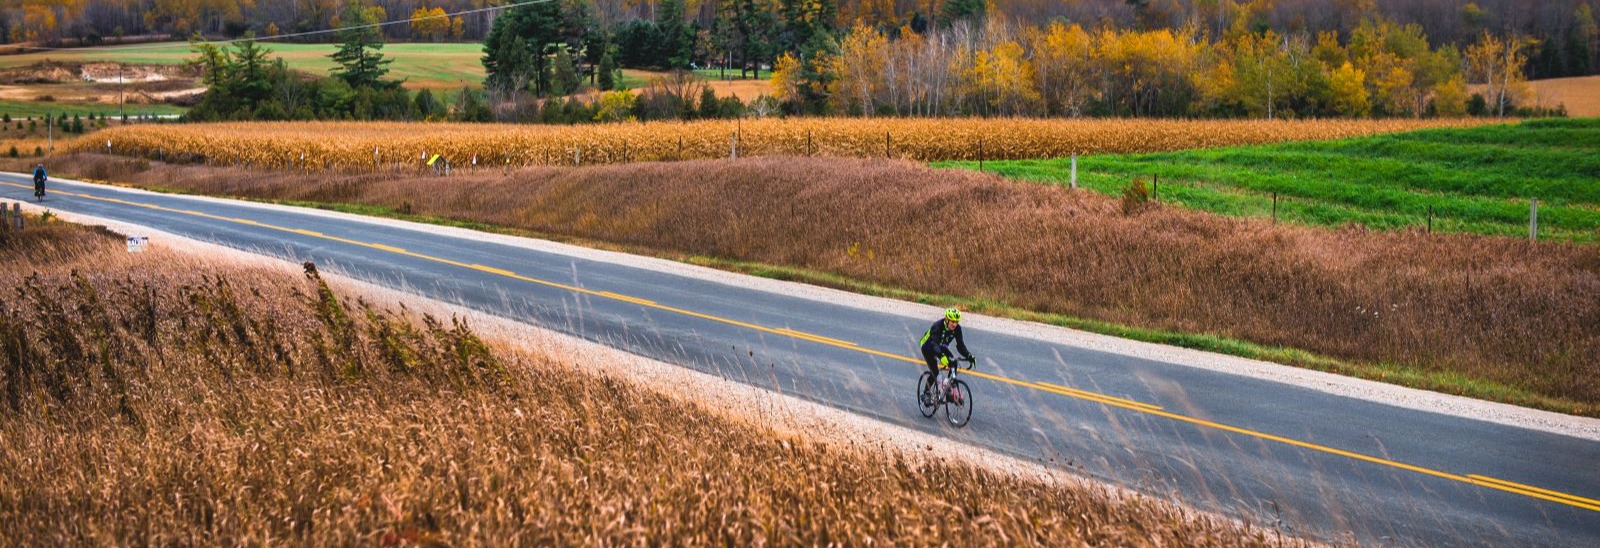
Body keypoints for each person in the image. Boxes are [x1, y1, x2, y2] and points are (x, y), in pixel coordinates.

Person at [920, 307, 974, 400]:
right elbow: (934, 344)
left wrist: (969, 356)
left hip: (941, 346)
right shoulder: (937, 326)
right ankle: (926, 393)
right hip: (928, 347)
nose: (954, 324)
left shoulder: (957, 329)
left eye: (956, 322)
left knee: (954, 363)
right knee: (935, 372)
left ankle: (946, 388)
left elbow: (960, 345)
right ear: (946, 319)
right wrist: (941, 356)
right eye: (952, 321)